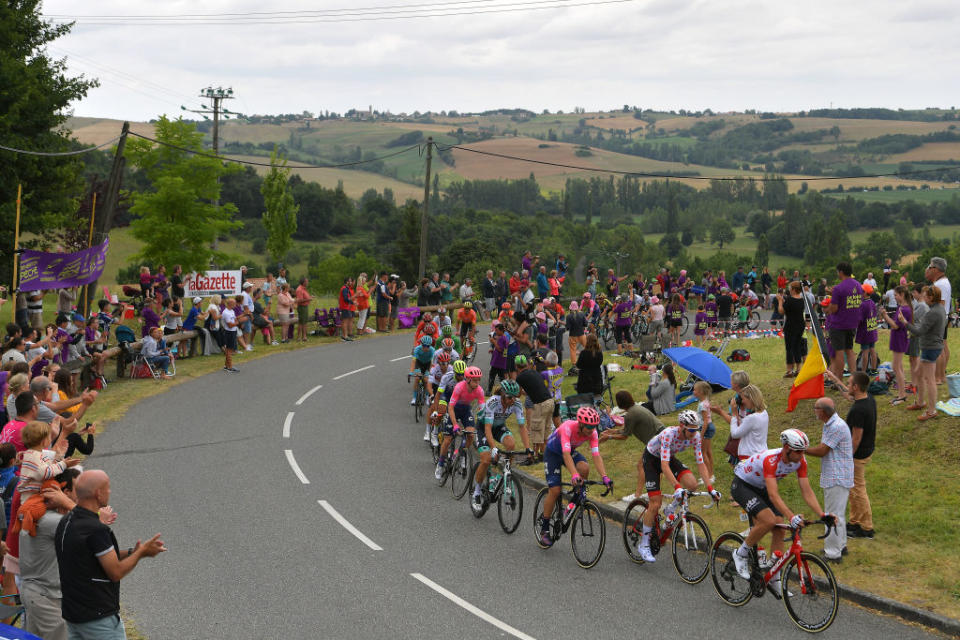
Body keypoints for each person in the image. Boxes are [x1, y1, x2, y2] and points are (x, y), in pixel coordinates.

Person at [55, 470, 167, 639]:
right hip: (99, 619)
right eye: (107, 488)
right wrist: (142, 552)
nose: (110, 492)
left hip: (74, 615)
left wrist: (131, 552)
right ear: (98, 493)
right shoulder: (96, 530)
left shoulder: (66, 521)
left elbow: (92, 557)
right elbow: (116, 572)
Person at [729, 429, 836, 585]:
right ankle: (740, 554)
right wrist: (791, 516)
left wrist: (822, 514)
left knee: (779, 527)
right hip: (743, 485)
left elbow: (807, 491)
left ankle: (774, 577)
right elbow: (773, 494)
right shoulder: (771, 460)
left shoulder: (800, 461)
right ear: (787, 448)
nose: (801, 455)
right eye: (798, 451)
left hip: (761, 487)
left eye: (803, 451)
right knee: (768, 520)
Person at [635, 410, 720, 563]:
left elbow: (701, 463)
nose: (695, 433)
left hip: (668, 457)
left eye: (697, 429)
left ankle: (671, 508)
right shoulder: (669, 434)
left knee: (692, 484)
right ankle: (644, 545)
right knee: (655, 503)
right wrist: (676, 487)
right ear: (682, 426)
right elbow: (664, 466)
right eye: (692, 430)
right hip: (652, 459)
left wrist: (710, 488)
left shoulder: (695, 438)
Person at [538, 407, 612, 547]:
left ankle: (573, 502)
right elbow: (565, 455)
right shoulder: (567, 428)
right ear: (581, 424)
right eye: (589, 427)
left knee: (584, 468)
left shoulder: (593, 433)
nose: (591, 430)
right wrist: (574, 475)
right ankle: (545, 527)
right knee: (555, 490)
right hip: (553, 453)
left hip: (568, 451)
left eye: (593, 427)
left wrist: (605, 477)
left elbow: (596, 455)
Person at [804, 397, 853, 563]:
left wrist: (801, 449)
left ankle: (833, 553)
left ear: (822, 411)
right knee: (838, 513)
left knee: (832, 514)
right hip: (839, 475)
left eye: (815, 408)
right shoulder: (832, 424)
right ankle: (841, 545)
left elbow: (822, 450)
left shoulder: (836, 427)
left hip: (836, 476)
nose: (814, 411)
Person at [600, 390, 663, 502]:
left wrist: (608, 437)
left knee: (641, 466)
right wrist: (612, 431)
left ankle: (637, 495)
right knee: (656, 467)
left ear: (620, 403)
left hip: (656, 441)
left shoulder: (631, 414)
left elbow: (625, 436)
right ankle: (655, 492)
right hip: (661, 437)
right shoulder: (636, 409)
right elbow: (625, 429)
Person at [471, 380, 525, 510]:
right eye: (509, 397)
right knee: (486, 459)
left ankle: (503, 476)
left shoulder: (516, 404)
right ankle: (476, 492)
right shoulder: (493, 402)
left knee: (511, 446)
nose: (512, 400)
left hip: (499, 427)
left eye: (515, 397)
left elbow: (522, 427)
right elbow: (487, 428)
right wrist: (493, 447)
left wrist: (528, 448)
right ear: (502, 394)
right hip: (483, 428)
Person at [901, 285, 946, 421]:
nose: (923, 297)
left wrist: (904, 322)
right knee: (918, 373)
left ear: (931, 297)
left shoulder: (933, 312)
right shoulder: (938, 309)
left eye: (925, 295)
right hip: (931, 347)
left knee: (930, 380)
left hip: (930, 348)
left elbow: (919, 332)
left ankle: (931, 411)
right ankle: (921, 403)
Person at [712, 383, 768, 461]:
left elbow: (735, 434)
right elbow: (744, 424)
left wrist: (735, 414)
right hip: (761, 453)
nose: (742, 401)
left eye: (743, 399)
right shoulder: (764, 413)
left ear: (751, 399)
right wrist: (742, 410)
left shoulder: (752, 418)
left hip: (749, 456)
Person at [878, 286, 911, 405]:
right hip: (898, 339)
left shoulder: (905, 309)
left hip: (900, 340)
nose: (894, 297)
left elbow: (896, 326)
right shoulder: (901, 307)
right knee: (899, 367)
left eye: (896, 295)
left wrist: (885, 315)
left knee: (896, 368)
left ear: (902, 294)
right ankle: (901, 393)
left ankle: (902, 395)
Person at [513, 356, 549, 462]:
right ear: (526, 364)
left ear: (516, 366)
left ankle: (533, 457)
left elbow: (518, 394)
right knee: (544, 432)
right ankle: (542, 455)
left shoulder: (520, 378)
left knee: (535, 431)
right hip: (550, 401)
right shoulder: (535, 372)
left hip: (539, 404)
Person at [924, 257, 951, 384]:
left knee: (938, 349)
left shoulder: (940, 284)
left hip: (939, 319)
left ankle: (938, 377)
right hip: (943, 317)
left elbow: (941, 302)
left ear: (936, 269)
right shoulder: (944, 282)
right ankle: (942, 375)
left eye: (930, 267)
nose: (928, 269)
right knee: (943, 346)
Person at [778, 281, 806, 377]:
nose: (789, 290)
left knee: (789, 347)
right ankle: (798, 369)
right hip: (800, 325)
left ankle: (789, 370)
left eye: (790, 288)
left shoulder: (790, 300)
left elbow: (781, 311)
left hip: (791, 325)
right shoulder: (802, 300)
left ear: (793, 289)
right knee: (797, 346)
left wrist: (780, 301)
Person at [692, 381, 716, 482]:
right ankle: (711, 474)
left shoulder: (702, 405)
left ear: (701, 392)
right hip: (710, 427)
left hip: (705, 428)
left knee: (703, 452)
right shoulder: (705, 401)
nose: (693, 391)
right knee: (708, 452)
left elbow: (705, 421)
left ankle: (709, 476)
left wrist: (701, 435)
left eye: (695, 390)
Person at [855, 284, 879, 373]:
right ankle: (873, 369)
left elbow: (859, 319)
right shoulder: (872, 302)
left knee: (865, 351)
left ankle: (863, 371)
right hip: (872, 331)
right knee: (872, 350)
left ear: (865, 293)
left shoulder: (863, 305)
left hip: (865, 332)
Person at [564, 301, 587, 367]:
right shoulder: (581, 314)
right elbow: (585, 324)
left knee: (573, 350)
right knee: (587, 347)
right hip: (582, 334)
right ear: (577, 307)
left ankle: (574, 363)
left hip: (572, 335)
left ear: (570, 308)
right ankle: (589, 359)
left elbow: (568, 328)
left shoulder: (568, 316)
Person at [221, 297, 239, 372]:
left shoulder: (232, 311)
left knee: (230, 349)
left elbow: (234, 320)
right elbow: (230, 325)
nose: (235, 304)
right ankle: (230, 367)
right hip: (229, 332)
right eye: (234, 303)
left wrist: (235, 323)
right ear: (230, 304)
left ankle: (226, 365)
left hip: (233, 331)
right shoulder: (226, 312)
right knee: (229, 350)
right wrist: (236, 323)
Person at [295, 277, 312, 343]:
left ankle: (304, 336)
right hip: (302, 307)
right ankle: (300, 337)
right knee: (302, 322)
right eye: (307, 281)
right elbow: (299, 300)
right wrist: (308, 299)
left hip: (305, 307)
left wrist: (309, 297)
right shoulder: (299, 289)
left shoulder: (303, 288)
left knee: (304, 322)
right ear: (303, 282)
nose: (307, 283)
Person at [338, 277, 356, 342]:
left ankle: (345, 335)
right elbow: (346, 298)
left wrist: (352, 302)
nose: (351, 282)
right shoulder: (345, 289)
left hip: (346, 307)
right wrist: (352, 302)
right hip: (345, 307)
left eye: (351, 281)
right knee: (345, 322)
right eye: (350, 281)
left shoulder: (346, 288)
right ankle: (344, 336)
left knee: (345, 321)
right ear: (347, 282)